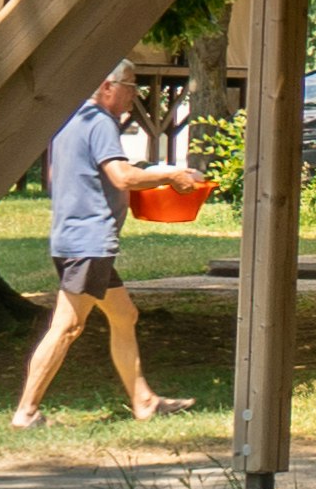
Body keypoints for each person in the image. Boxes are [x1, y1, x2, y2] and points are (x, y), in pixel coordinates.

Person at [10, 67, 185, 428]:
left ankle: (144, 402)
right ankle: (26, 412)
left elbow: (72, 175)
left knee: (124, 315)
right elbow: (122, 176)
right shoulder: (101, 122)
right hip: (89, 242)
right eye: (130, 87)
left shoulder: (70, 119)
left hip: (69, 237)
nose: (133, 96)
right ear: (107, 86)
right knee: (68, 326)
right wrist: (170, 175)